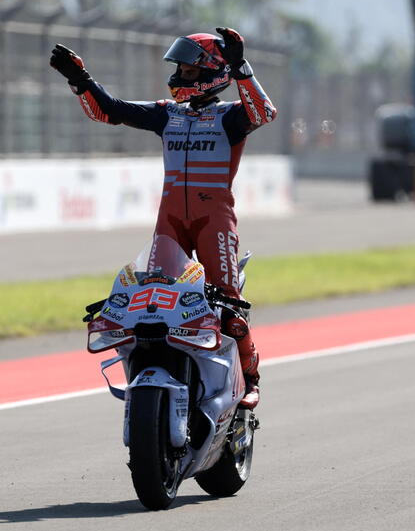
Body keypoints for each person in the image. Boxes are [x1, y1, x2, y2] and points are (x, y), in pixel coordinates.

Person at [50, 27, 277, 408]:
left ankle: (250, 378)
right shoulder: (166, 114)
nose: (180, 76)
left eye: (189, 70)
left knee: (229, 306)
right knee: (152, 299)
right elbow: (110, 111)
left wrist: (240, 65)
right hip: (169, 222)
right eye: (181, 70)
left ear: (211, 72)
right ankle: (161, 373)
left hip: (214, 221)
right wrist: (79, 79)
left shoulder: (230, 117)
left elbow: (264, 113)